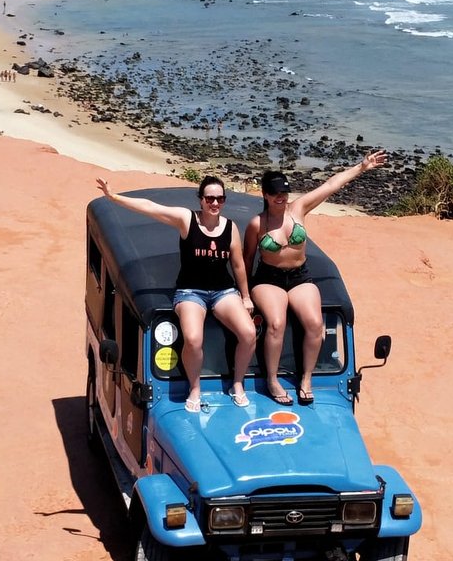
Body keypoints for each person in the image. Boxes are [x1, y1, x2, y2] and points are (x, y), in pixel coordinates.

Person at [94, 175, 257, 412]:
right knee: (193, 339)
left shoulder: (230, 228)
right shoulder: (186, 219)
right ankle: (194, 387)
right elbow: (152, 208)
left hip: (223, 292)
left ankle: (238, 384)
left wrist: (245, 296)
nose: (215, 203)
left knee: (249, 332)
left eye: (220, 199)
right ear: (201, 200)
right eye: (210, 198)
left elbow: (239, 265)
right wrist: (113, 197)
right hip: (191, 292)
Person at [243, 152, 387, 406]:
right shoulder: (257, 224)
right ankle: (273, 380)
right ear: (265, 195)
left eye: (284, 192)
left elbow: (331, 185)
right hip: (268, 279)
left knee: (314, 324)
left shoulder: (298, 209)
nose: (282, 197)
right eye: (276, 193)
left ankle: (306, 379)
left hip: (300, 276)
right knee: (276, 323)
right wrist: (244, 293)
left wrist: (361, 167)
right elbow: (245, 260)